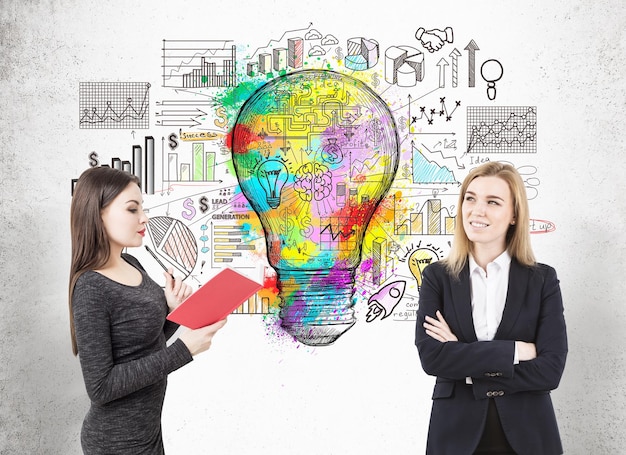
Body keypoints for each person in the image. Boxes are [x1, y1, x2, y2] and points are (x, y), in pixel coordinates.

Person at [68, 166, 227, 454]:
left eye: (142, 207)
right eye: (132, 209)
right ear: (98, 214)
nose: (144, 218)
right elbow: (101, 388)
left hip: (149, 434)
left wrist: (174, 314)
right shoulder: (91, 287)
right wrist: (183, 351)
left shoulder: (133, 264)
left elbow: (142, 346)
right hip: (116, 444)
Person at [415, 162, 567, 455]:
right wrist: (514, 352)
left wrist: (463, 357)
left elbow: (551, 370)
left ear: (513, 215)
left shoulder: (542, 279)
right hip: (455, 433)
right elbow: (432, 357)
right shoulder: (437, 277)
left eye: (493, 202)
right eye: (470, 198)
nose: (477, 210)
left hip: (529, 433)